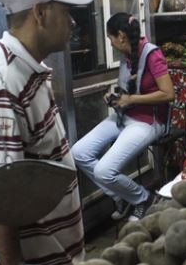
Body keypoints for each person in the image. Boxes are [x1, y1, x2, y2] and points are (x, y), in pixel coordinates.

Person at [0, 0, 96, 265]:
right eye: (66, 12)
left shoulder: (29, 69)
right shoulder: (3, 84)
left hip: (56, 260)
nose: (73, 22)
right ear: (40, 13)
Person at [71, 12, 175, 222]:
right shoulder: (127, 56)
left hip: (149, 121)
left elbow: (168, 94)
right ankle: (121, 195)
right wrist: (114, 97)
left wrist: (131, 99)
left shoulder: (152, 54)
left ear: (120, 36)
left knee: (104, 171)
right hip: (124, 116)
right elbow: (127, 90)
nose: (110, 44)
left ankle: (143, 199)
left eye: (110, 39)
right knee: (78, 152)